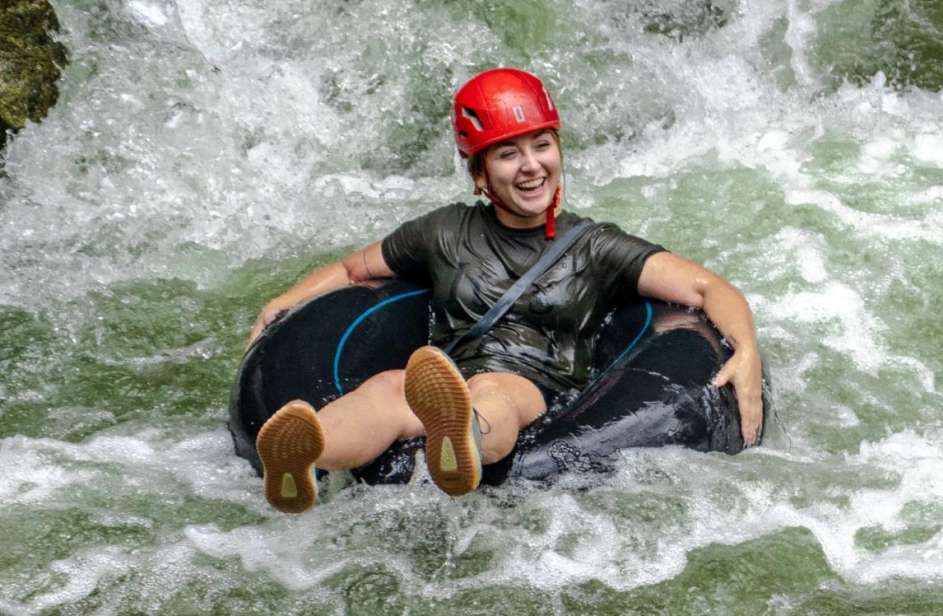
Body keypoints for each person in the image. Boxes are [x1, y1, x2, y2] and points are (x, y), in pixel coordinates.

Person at [248, 68, 763, 513]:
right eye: (508, 154)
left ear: (559, 150)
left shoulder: (596, 247)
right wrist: (287, 300)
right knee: (384, 388)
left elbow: (707, 288)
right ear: (479, 173)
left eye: (542, 145)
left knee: (493, 394)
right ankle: (304, 450)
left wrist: (746, 351)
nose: (531, 166)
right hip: (442, 383)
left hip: (533, 388)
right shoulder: (443, 231)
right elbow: (355, 269)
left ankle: (461, 441)